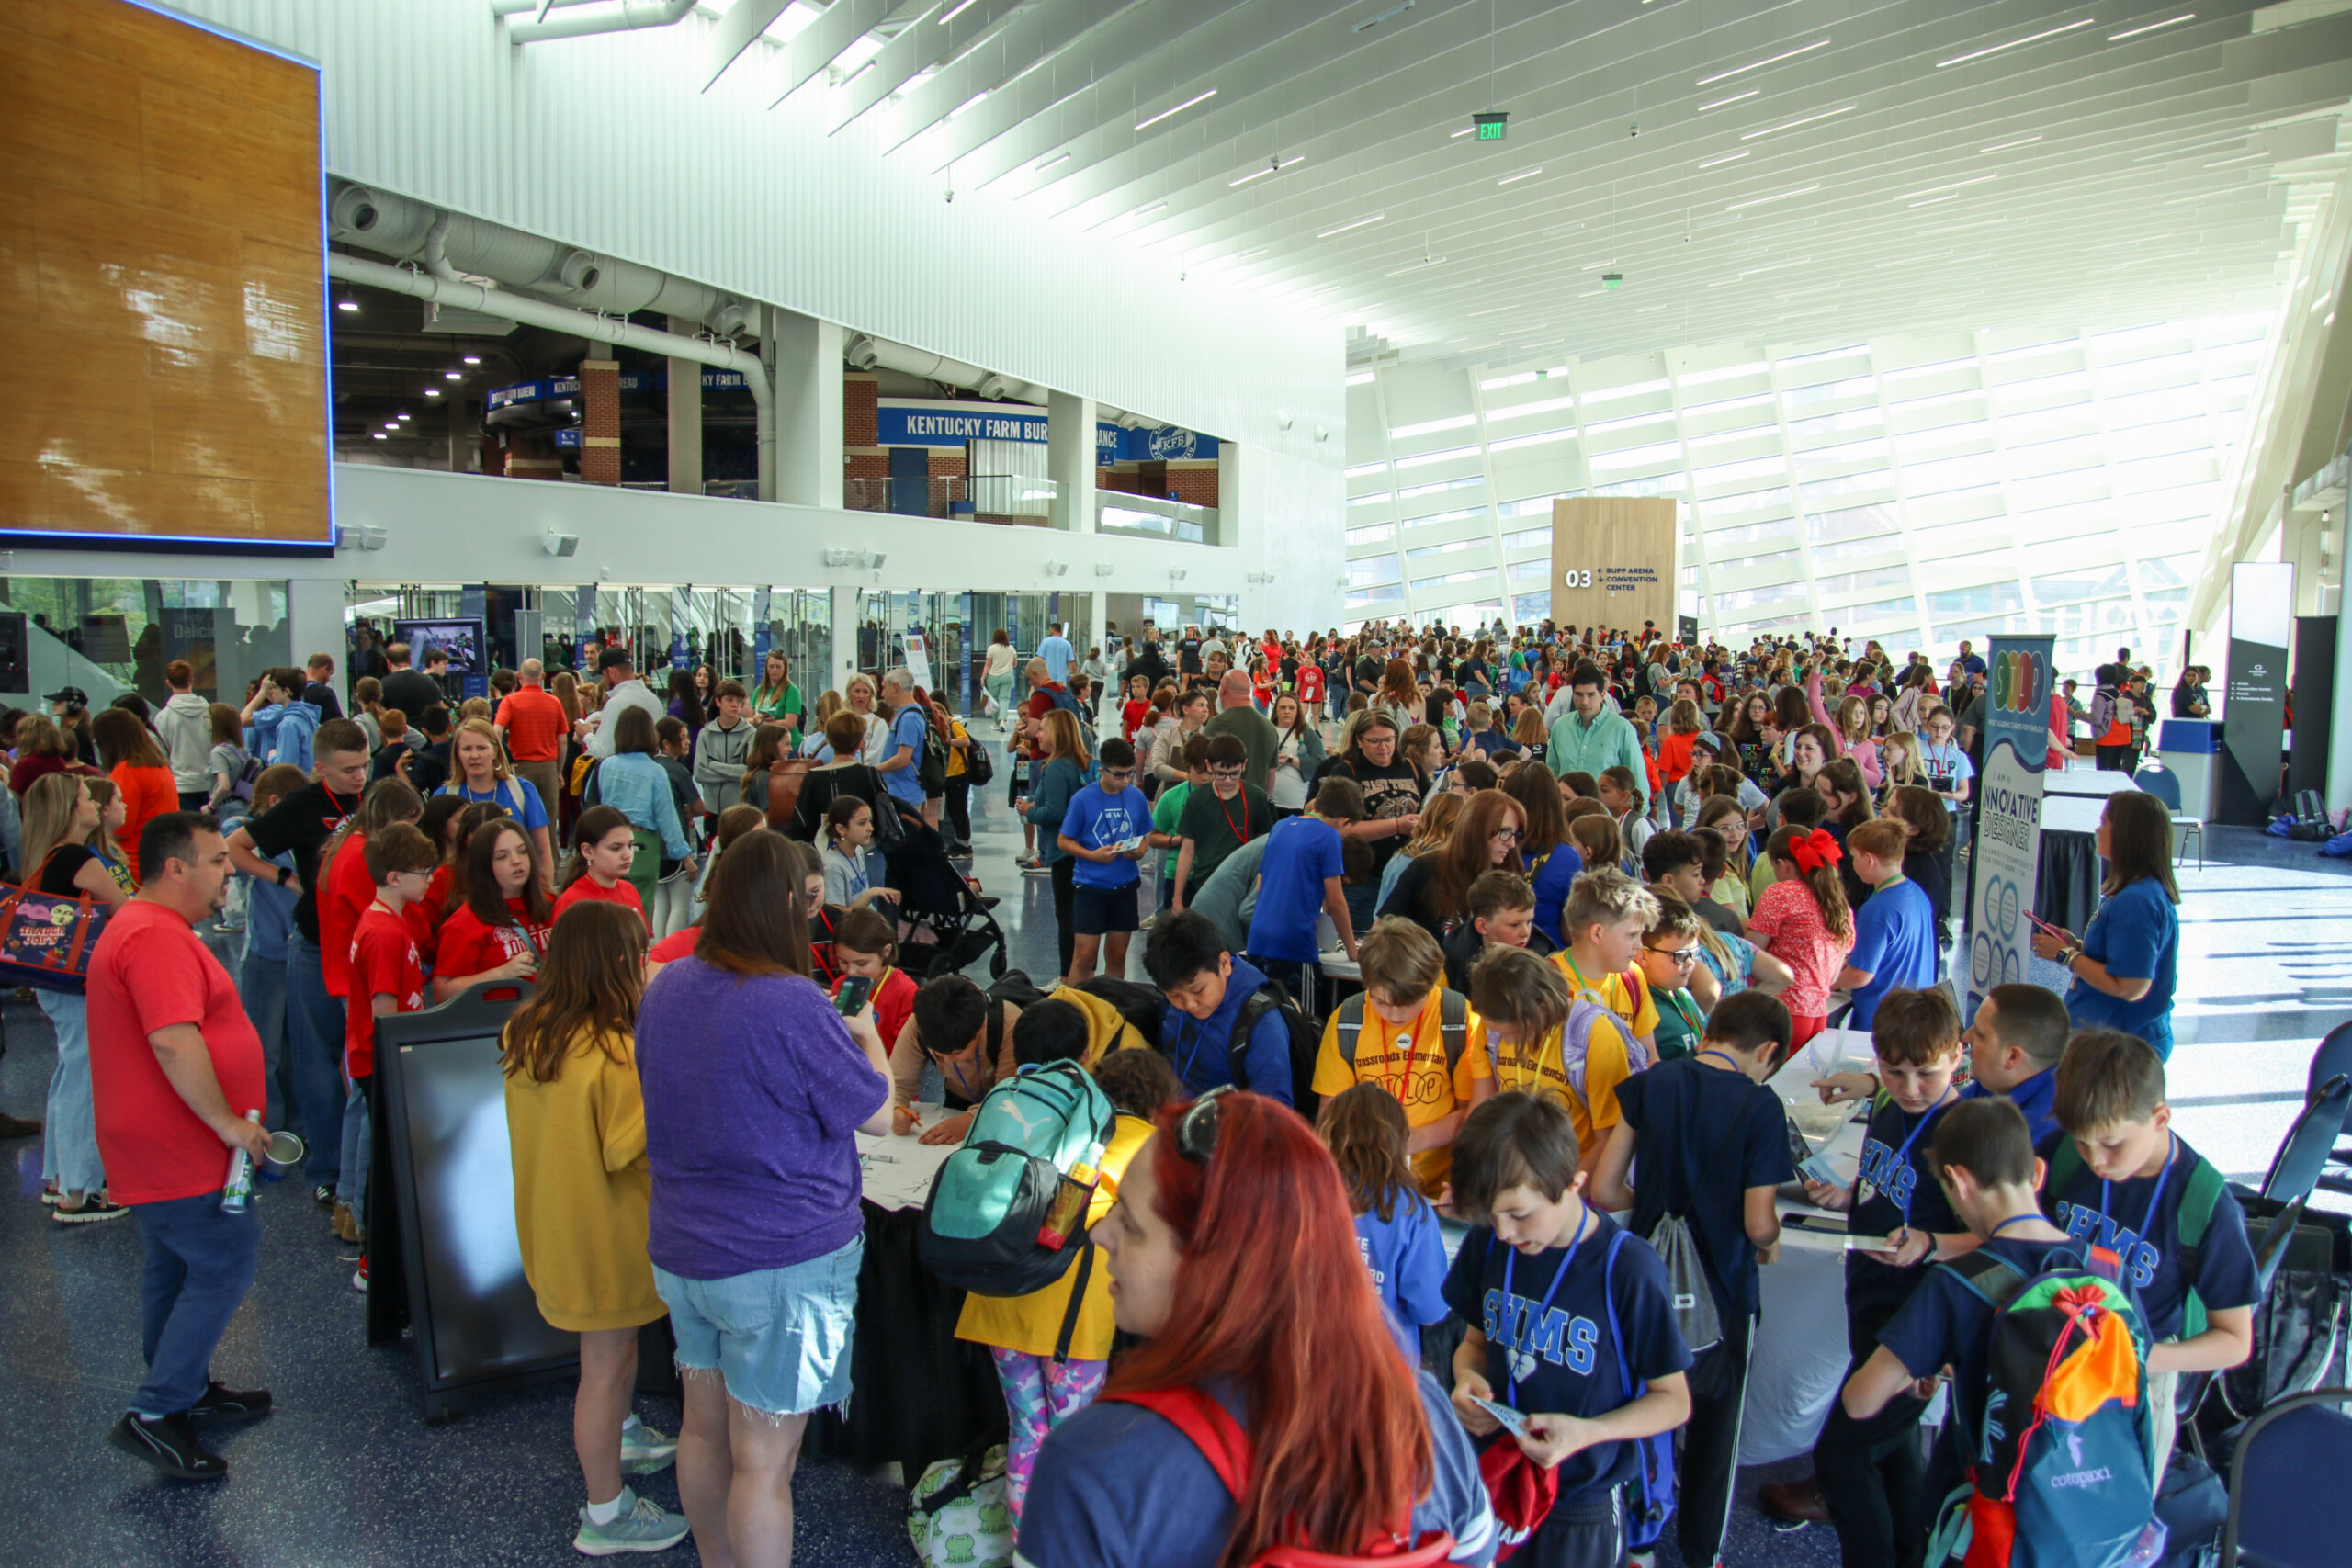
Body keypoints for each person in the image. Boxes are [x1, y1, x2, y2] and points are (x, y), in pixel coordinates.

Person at [1017, 1089, 1498, 1568]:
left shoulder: (1092, 1466)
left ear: (1217, 1263)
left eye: (1132, 1223)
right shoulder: (1421, 1414)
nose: (1101, 1232)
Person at [634, 831, 893, 1568]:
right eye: (807, 900)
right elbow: (874, 1111)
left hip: (685, 1254)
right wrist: (864, 1031)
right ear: (782, 903)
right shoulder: (791, 1003)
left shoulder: (668, 984)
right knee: (764, 1464)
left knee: (701, 1430)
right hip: (780, 1263)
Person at [88, 811, 276, 1480]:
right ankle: (158, 1408)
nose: (230, 872)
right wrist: (229, 1122)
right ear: (177, 868)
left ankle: (184, 1385)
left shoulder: (151, 928)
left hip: (157, 1137)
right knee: (225, 1258)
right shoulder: (155, 937)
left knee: (172, 1265)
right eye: (219, 861)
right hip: (176, 1138)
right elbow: (172, 1037)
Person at [499, 899, 688, 1554]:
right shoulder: (616, 1050)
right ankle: (605, 1511)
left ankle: (623, 1430)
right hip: (608, 1239)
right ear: (618, 964)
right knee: (604, 1369)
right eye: (641, 955)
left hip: (552, 1226)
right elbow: (631, 1146)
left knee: (610, 1359)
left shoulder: (528, 1030)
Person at [1444, 1092, 1694, 1568]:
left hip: (1583, 1497)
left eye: (1518, 1214)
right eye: (1489, 1216)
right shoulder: (1490, 1243)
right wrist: (1466, 1379)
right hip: (1499, 1474)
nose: (1504, 1233)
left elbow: (1674, 1400)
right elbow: (1474, 1343)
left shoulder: (1627, 1269)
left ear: (1573, 1184)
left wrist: (1585, 1433)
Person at [1589, 989, 1793, 1568]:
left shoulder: (1651, 1083)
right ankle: (1702, 1552)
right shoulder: (1761, 1108)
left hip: (1646, 1281)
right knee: (1716, 1434)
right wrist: (1774, 1243)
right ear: (1769, 1052)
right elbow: (1757, 1223)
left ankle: (1638, 1536)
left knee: (1643, 1406)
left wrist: (1652, 1207)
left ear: (1709, 1031)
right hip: (1724, 1287)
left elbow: (1605, 1190)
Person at [1770, 988, 1969, 1559]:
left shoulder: (1962, 1136)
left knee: (1843, 1456)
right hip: (1872, 1295)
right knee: (1896, 1454)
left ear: (1958, 1056)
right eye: (1893, 1070)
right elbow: (1896, 1169)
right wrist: (1855, 1191)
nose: (1909, 1086)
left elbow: (1998, 1237)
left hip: (1919, 1319)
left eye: (1924, 1074)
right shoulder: (1889, 1101)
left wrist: (1930, 1244)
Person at [951, 1003, 1158, 1522]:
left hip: (997, 1294)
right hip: (1071, 1319)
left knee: (1025, 1431)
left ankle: (1026, 1550)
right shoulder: (1132, 1137)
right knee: (1071, 1442)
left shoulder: (1005, 1105)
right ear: (1086, 1056)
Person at [2037, 1028, 2256, 1467]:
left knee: (2116, 1524)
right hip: (2048, 1356)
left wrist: (2148, 1358)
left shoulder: (2204, 1205)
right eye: (2082, 1141)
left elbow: (2235, 1341)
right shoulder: (2063, 1154)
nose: (2095, 1159)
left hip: (2136, 1379)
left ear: (2160, 1118)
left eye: (2112, 1144)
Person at [1837, 1099, 2083, 1479]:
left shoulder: (1957, 1282)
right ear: (2037, 1172)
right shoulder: (2105, 1267)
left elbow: (1860, 1401)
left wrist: (1916, 1367)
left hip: (1993, 1487)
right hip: (2087, 1485)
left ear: (1959, 1183)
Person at [224, 717, 371, 1211]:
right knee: (319, 1060)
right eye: (348, 769)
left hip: (369, 940)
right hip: (314, 943)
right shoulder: (303, 806)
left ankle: (360, 1166)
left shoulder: (378, 799)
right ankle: (327, 1169)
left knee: (363, 1061)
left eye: (365, 765)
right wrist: (285, 878)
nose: (359, 777)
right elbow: (235, 848)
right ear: (321, 768)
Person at [1310, 918, 1493, 1195]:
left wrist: (1413, 1140)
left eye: (1408, 1004)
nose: (1395, 1014)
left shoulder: (1460, 1020)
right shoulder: (1347, 1022)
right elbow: (1331, 1116)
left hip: (1439, 1189)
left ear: (1431, 985)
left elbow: (1472, 1113)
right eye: (1381, 1002)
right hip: (1368, 1185)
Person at [25, 773, 135, 1222]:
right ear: (71, 809)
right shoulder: (76, 856)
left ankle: (60, 1175)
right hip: (79, 983)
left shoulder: (46, 855)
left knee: (70, 1074)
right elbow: (128, 907)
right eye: (89, 798)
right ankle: (81, 1188)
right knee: (86, 1080)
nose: (96, 804)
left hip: (53, 979)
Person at [2029, 790, 2180, 1059]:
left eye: (2104, 823)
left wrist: (2068, 956)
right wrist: (2078, 945)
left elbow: (2131, 986)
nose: (2097, 829)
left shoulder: (2138, 901)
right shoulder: (2136, 892)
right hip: (2106, 1040)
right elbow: (2125, 957)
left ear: (2127, 834)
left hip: (2117, 1050)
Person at [1319, 1083, 1450, 1365]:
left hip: (1312, 1361)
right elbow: (1430, 1310)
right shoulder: (1411, 1209)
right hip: (1387, 1370)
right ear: (1398, 1140)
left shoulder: (1304, 1195)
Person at [1144, 910, 1299, 1105]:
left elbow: (1275, 1110)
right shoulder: (1172, 1002)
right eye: (1174, 995)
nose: (1189, 1005)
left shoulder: (1260, 1021)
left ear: (1224, 964)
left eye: (1198, 990)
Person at [1244, 776, 1363, 1002]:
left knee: (1264, 1014)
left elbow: (1260, 887)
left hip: (1258, 939)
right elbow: (1337, 902)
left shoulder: (1281, 826)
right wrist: (1352, 950)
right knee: (1303, 1023)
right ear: (1344, 821)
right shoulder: (1329, 837)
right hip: (1294, 946)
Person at [1745, 826, 1854, 1052]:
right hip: (1818, 1013)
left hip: (1782, 1010)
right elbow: (1834, 974)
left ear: (1783, 864)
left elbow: (1750, 954)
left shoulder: (1781, 893)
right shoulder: (1838, 902)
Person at [1057, 736, 1151, 986]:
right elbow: (1064, 841)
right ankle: (1077, 1009)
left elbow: (1144, 836)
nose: (1126, 780)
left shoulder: (1135, 797)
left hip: (1125, 886)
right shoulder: (1082, 799)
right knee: (1085, 956)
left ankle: (1111, 1007)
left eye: (1130, 773)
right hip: (1091, 887)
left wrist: (1139, 852)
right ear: (1102, 771)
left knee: (1117, 955)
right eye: (1119, 775)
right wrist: (1092, 855)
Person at [888, 974, 1021, 1144]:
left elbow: (1011, 1095)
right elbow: (896, 1084)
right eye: (938, 1055)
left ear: (980, 1028)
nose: (948, 1061)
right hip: (958, 1101)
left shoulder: (1009, 1025)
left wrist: (970, 1120)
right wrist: (895, 1108)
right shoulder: (921, 1022)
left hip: (1006, 1114)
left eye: (957, 1053)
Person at [433, 815, 553, 1002]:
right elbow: (442, 993)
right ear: (484, 865)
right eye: (502, 857)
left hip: (550, 1017)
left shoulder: (551, 902)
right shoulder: (465, 922)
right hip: (497, 1023)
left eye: (522, 852)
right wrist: (500, 973)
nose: (516, 861)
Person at [1834, 818, 1938, 1030]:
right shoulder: (1917, 893)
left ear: (1870, 860)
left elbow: (1860, 974)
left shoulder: (1876, 910)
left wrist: (1827, 982)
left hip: (1880, 1020)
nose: (1852, 864)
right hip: (1914, 1010)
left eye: (1854, 857)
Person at [1551, 866, 1661, 1057]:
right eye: (1632, 935)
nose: (1639, 945)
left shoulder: (1631, 977)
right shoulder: (1548, 981)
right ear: (1597, 933)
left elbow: (1649, 1057)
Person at [593, 706, 695, 911]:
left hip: (608, 842)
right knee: (640, 911)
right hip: (642, 845)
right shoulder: (655, 771)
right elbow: (668, 819)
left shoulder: (606, 766)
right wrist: (684, 856)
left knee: (612, 908)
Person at [1170, 733, 1273, 913]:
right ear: (1209, 766)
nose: (1227, 780)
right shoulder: (1197, 800)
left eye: (1234, 773)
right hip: (1206, 884)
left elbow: (1266, 844)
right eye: (1221, 774)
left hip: (1243, 886)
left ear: (1244, 765)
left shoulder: (1256, 797)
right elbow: (1187, 851)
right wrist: (1177, 898)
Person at [441, 716, 554, 878]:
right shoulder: (445, 797)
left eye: (481, 748)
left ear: (495, 751)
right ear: (457, 754)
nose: (474, 755)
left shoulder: (522, 790)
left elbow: (542, 852)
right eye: (467, 749)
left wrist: (546, 894)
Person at [1026, 708, 1093, 972]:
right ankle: (1085, 972)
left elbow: (1057, 812)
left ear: (1056, 733)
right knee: (1083, 918)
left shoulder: (1055, 767)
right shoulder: (1083, 762)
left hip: (1064, 853)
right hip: (1086, 851)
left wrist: (1029, 810)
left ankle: (1068, 976)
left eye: (1042, 729)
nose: (1037, 734)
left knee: (1066, 918)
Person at [90, 707, 175, 885]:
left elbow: (119, 827)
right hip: (159, 858)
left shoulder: (127, 770)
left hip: (133, 864)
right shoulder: (158, 765)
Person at [1440, 869, 1553, 996]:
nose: (1525, 933)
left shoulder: (1547, 964)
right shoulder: (1449, 972)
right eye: (1514, 925)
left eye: (1529, 921)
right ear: (1482, 926)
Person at [1634, 892, 1711, 1061]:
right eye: (1680, 956)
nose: (1690, 962)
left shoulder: (1681, 991)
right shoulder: (1637, 1008)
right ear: (1642, 956)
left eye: (1694, 953)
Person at [492, 659, 569, 820]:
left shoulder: (510, 702)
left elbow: (496, 732)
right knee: (548, 819)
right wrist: (558, 771)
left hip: (520, 767)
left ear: (520, 675)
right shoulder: (554, 702)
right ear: (543, 677)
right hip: (548, 767)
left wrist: (501, 762)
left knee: (522, 818)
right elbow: (562, 741)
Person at [557, 805, 650, 929]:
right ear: (588, 851)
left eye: (630, 845)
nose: (627, 855)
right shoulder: (572, 901)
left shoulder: (629, 890)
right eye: (616, 848)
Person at [580, 647, 668, 761]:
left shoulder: (615, 703)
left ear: (612, 672)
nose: (604, 680)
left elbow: (602, 753)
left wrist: (586, 734)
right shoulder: (653, 699)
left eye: (604, 675)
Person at [1201, 669, 1279, 796]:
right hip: (1256, 806)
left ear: (1223, 689)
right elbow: (1271, 775)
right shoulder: (1269, 727)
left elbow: (1202, 769)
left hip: (1224, 804)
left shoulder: (1218, 724)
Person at [875, 668, 932, 829]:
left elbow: (903, 758)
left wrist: (874, 771)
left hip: (904, 793)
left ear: (895, 687)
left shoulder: (908, 718)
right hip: (901, 791)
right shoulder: (907, 714)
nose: (882, 694)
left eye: (884, 688)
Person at [820, 795, 895, 917]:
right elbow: (837, 915)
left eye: (869, 821)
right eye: (862, 823)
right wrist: (871, 893)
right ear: (841, 829)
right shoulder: (832, 866)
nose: (870, 828)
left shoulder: (858, 850)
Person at [155, 660, 214, 811]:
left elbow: (160, 754)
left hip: (181, 785)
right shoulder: (211, 712)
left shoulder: (163, 717)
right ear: (192, 680)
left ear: (168, 683)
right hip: (212, 783)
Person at [749, 651, 803, 736]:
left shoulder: (791, 690)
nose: (774, 670)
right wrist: (757, 719)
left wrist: (762, 724)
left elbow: (790, 723)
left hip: (788, 743)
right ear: (766, 668)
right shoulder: (759, 690)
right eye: (771, 666)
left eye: (778, 667)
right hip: (765, 742)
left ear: (785, 668)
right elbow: (749, 718)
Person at [980, 630, 1020, 728]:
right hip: (1007, 676)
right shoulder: (1011, 649)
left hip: (993, 677)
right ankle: (1003, 721)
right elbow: (1015, 664)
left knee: (994, 699)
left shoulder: (991, 649)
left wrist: (982, 678)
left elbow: (988, 665)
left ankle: (996, 723)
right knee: (1004, 699)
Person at [1037, 621, 1075, 687]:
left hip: (1047, 678)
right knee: (1060, 696)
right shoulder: (1067, 644)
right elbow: (1071, 663)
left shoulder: (1045, 642)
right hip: (1061, 679)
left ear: (1052, 629)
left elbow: (1039, 659)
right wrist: (1076, 675)